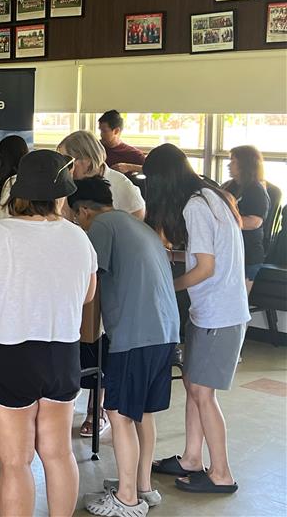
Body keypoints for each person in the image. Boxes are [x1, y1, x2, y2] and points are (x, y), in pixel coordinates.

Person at [0, 150, 97, 517]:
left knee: (16, 462)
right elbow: (88, 294)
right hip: (63, 353)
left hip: (10, 353)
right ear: (60, 196)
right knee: (58, 453)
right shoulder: (79, 238)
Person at [68, 177, 180, 517]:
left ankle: (127, 499)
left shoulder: (102, 225)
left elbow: (87, 278)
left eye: (75, 217)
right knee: (142, 411)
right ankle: (143, 486)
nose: (77, 223)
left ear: (84, 210)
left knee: (118, 414)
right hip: (165, 331)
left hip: (135, 335)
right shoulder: (136, 225)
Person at [145, 143, 248, 495]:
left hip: (219, 314)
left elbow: (205, 268)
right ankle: (192, 458)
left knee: (203, 393)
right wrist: (173, 255)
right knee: (193, 385)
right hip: (213, 310)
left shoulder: (195, 207)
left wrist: (168, 286)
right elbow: (204, 255)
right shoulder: (210, 196)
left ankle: (222, 473)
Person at [58, 129, 145, 436]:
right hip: (78, 267)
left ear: (85, 159)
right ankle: (71, 398)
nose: (68, 168)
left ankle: (98, 409)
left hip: (109, 270)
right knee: (81, 341)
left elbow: (137, 220)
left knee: (102, 342)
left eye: (70, 161)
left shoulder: (120, 184)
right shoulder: (70, 186)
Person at [222, 145, 270, 293]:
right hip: (228, 254)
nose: (229, 165)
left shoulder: (256, 190)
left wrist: (222, 221)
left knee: (237, 303)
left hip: (247, 256)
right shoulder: (229, 187)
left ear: (245, 164)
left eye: (233, 161)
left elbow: (254, 222)